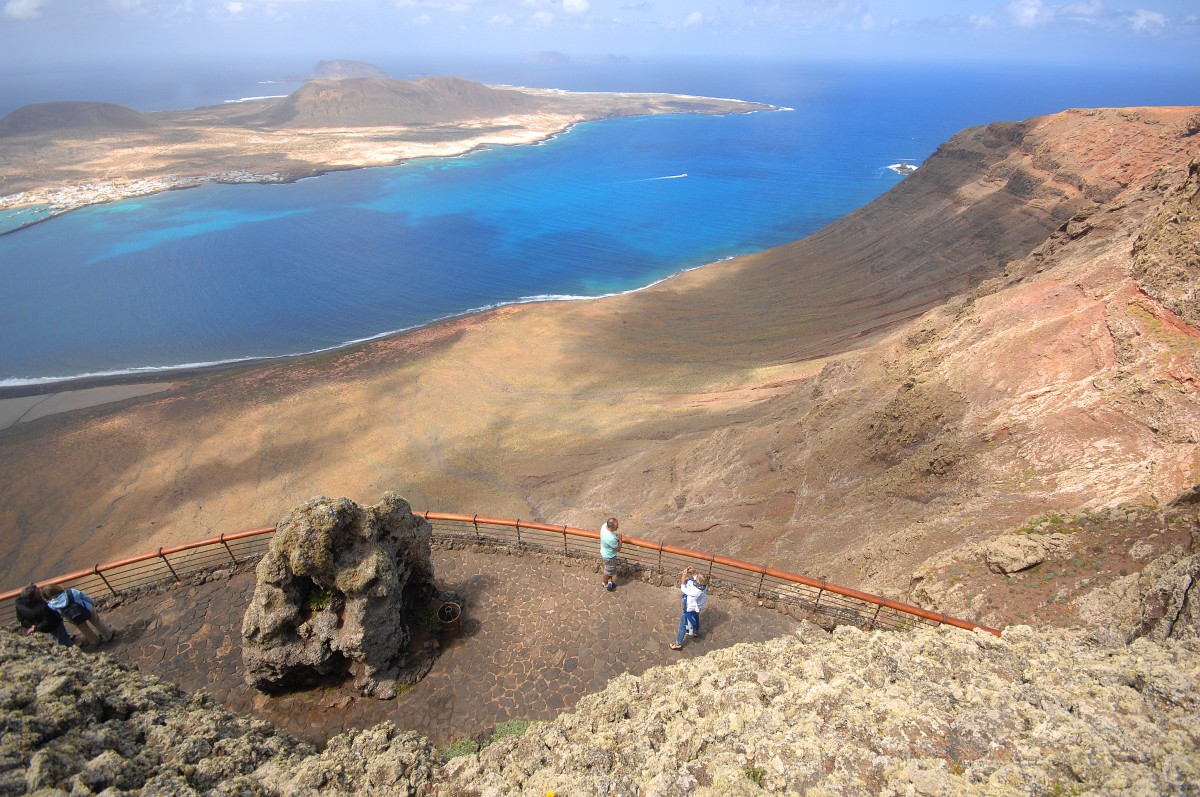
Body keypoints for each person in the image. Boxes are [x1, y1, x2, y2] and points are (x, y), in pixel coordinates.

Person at [43, 584, 115, 646]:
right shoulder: (71, 592)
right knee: (97, 622)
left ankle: (95, 642)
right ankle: (108, 636)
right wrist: (92, 603)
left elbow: (58, 613)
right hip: (87, 609)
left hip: (72, 617)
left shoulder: (51, 605)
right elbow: (85, 597)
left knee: (84, 629)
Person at [670, 566, 708, 650]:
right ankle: (695, 632)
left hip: (689, 608)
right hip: (697, 607)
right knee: (696, 618)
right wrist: (694, 572)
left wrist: (684, 575)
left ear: (698, 581)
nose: (696, 577)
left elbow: (683, 587)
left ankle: (678, 643)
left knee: (682, 625)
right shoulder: (704, 586)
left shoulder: (694, 591)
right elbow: (697, 579)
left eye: (697, 577)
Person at [599, 516, 621, 591]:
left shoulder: (604, 526)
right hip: (609, 557)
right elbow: (618, 549)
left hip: (604, 552)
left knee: (609, 569)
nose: (618, 527)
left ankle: (609, 582)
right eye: (616, 527)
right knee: (608, 571)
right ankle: (604, 583)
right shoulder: (611, 538)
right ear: (612, 528)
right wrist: (620, 540)